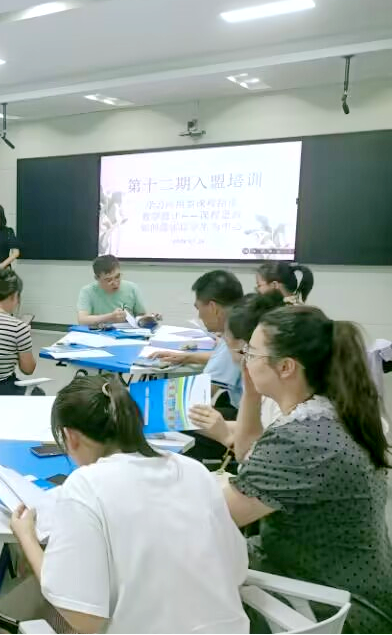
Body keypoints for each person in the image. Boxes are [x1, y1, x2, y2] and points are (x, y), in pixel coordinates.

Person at [10, 376, 248, 634]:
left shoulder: (85, 486)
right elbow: (235, 570)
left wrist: (27, 538)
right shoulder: (193, 469)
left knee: (29, 605)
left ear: (71, 436)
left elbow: (84, 620)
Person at [223, 306, 392, 632]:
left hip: (333, 606)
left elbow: (217, 514)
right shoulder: (327, 412)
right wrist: (250, 392)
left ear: (286, 367)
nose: (245, 360)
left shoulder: (301, 439)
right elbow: (249, 455)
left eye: (252, 353)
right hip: (349, 585)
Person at [189, 291, 287, 449]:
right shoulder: (261, 385)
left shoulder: (274, 395)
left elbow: (259, 450)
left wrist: (226, 436)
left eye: (226, 341)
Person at [154, 270, 245, 401]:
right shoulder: (244, 326)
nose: (199, 316)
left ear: (213, 307)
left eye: (198, 308)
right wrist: (187, 357)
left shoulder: (233, 339)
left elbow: (197, 396)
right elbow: (223, 358)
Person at [76, 255, 152, 326]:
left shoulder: (132, 288)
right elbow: (82, 320)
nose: (115, 283)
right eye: (108, 280)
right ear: (97, 278)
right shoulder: (87, 291)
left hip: (127, 332)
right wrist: (110, 317)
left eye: (117, 277)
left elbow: (141, 315)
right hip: (98, 332)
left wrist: (149, 319)